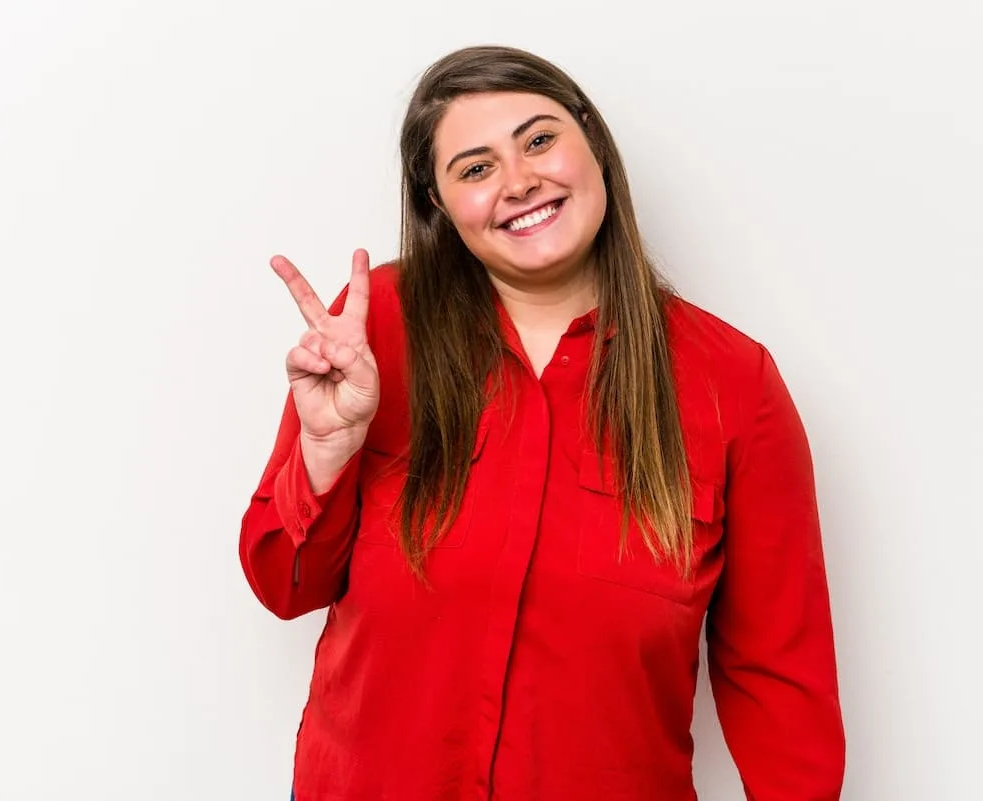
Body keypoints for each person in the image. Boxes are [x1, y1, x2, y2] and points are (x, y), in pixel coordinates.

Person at [239, 44, 845, 801]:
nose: (520, 181)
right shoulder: (376, 329)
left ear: (592, 144)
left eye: (538, 139)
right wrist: (325, 454)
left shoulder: (734, 384)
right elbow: (283, 585)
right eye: (475, 167)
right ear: (439, 204)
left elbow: (782, 681)